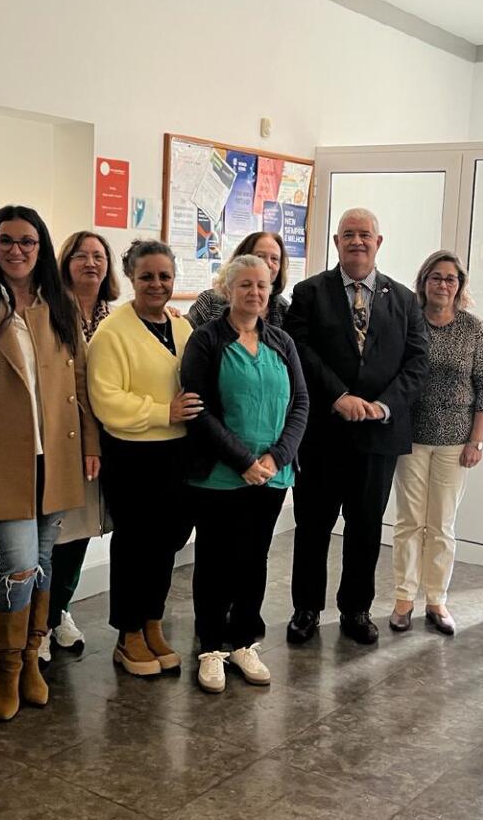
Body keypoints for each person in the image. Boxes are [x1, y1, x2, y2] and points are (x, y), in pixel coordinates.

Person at [0, 205, 100, 721]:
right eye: (6, 241)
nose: (17, 250)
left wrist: (90, 445)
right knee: (20, 564)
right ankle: (7, 670)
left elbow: (78, 384)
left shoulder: (58, 301)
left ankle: (32, 659)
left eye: (27, 241)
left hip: (57, 452)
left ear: (40, 247)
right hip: (1, 458)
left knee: (46, 561)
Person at [283, 208, 429, 645]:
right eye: (349, 235)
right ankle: (305, 609)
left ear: (378, 242)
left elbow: (417, 362)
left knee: (365, 527)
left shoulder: (403, 299)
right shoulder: (309, 292)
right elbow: (299, 351)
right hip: (323, 434)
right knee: (312, 526)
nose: (358, 241)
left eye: (365, 235)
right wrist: (338, 396)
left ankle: (356, 610)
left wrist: (383, 407)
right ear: (336, 242)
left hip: (378, 436)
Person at [180, 255, 310, 692]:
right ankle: (212, 647)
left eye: (262, 285)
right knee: (215, 560)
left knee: (254, 559)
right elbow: (198, 410)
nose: (255, 292)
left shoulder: (282, 342)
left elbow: (300, 405)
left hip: (271, 476)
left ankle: (243, 642)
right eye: (245, 285)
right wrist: (243, 462)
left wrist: (276, 458)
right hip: (220, 475)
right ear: (227, 289)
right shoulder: (206, 340)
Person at [87, 239, 199, 676]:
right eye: (147, 276)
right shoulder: (112, 333)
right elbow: (106, 399)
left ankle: (153, 622)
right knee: (136, 544)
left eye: (164, 276)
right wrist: (162, 412)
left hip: (177, 452)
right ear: (131, 278)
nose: (157, 284)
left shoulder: (182, 328)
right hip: (132, 455)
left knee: (168, 541)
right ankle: (128, 633)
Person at [389, 250, 483, 637]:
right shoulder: (408, 321)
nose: (443, 284)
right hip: (410, 437)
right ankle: (403, 599)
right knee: (409, 522)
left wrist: (476, 440)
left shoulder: (472, 327)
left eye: (450, 279)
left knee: (442, 524)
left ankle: (436, 599)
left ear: (459, 285)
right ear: (424, 282)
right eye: (436, 277)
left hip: (455, 441)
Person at [41, 230, 122, 661]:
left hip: (105, 440)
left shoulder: (115, 316)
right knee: (55, 533)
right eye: (80, 255)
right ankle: (41, 619)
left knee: (85, 530)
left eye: (98, 256)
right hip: (61, 440)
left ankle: (60, 612)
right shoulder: (50, 311)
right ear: (65, 262)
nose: (91, 263)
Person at [186, 231, 290, 328]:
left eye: (274, 259)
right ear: (242, 259)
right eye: (260, 256)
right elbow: (181, 334)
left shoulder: (284, 309)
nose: (268, 263)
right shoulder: (210, 301)